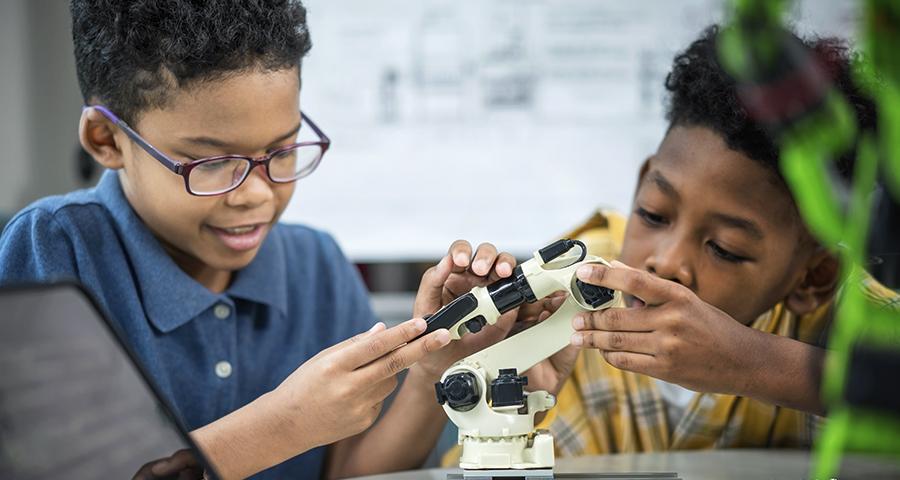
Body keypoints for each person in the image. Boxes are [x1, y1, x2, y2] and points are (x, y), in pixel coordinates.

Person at [0, 1, 523, 478]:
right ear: (107, 139)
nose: (255, 195)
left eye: (282, 150)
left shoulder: (315, 263)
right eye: (212, 163)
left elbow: (353, 471)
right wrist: (286, 425)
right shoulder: (55, 246)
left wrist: (433, 366)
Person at [450, 25, 895, 462]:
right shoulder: (571, 289)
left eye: (724, 248)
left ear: (813, 277)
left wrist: (753, 364)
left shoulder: (857, 326)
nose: (666, 262)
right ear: (642, 184)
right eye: (654, 214)